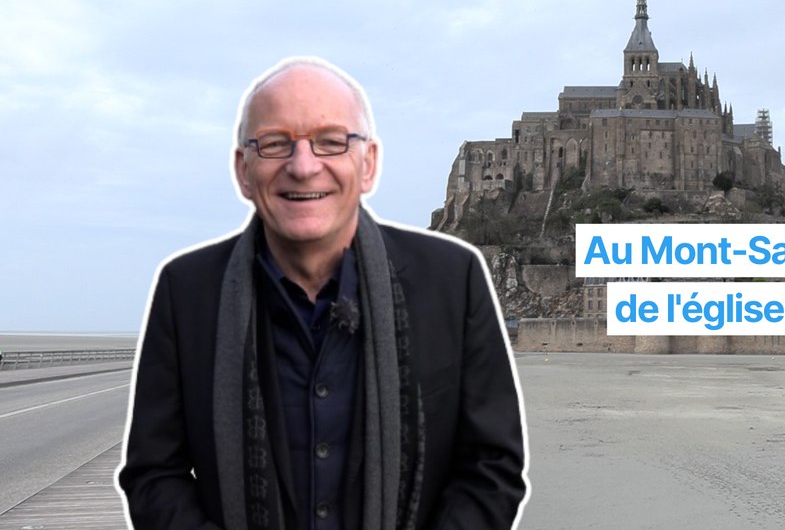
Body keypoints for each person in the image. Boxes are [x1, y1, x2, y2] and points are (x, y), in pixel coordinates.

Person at [118, 58, 528, 529]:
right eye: (274, 144)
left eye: (330, 142)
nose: (303, 166)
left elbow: (492, 467)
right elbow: (154, 473)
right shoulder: (185, 291)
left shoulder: (453, 281)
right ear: (243, 171)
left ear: (368, 164)